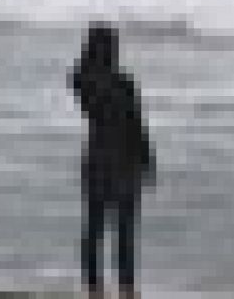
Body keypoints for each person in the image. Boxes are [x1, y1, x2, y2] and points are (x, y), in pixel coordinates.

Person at [71, 23, 155, 297]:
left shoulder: (86, 82)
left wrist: (146, 157)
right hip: (123, 161)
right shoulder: (116, 83)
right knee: (122, 232)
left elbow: (136, 123)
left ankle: (96, 289)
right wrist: (147, 159)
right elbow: (137, 124)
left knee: (96, 230)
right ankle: (125, 289)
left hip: (99, 160)